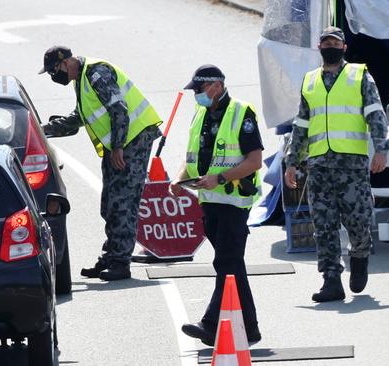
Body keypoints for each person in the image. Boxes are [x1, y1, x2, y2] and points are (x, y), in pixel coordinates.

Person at [284, 26, 389, 302]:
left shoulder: (359, 76)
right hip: (319, 166)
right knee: (324, 225)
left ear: (344, 47)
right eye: (325, 42)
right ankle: (331, 280)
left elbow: (375, 114)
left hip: (352, 166)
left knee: (358, 220)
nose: (329, 46)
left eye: (335, 42)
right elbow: (301, 125)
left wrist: (381, 149)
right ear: (319, 48)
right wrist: (291, 161)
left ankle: (359, 254)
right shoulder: (309, 81)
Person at [39, 46, 162, 281]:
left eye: (54, 70)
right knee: (109, 203)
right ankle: (110, 256)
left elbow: (119, 109)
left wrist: (117, 146)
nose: (55, 76)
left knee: (123, 202)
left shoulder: (97, 74)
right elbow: (79, 118)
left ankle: (120, 262)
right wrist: (42, 130)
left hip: (132, 140)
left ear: (65, 62)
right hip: (119, 143)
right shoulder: (81, 80)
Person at [171, 65, 263, 345]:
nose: (195, 96)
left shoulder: (240, 113)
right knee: (232, 264)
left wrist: (220, 178)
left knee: (226, 262)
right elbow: (192, 158)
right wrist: (178, 179)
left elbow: (254, 161)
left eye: (198, 90)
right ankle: (250, 329)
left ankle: (210, 324)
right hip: (210, 202)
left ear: (216, 86)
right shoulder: (200, 114)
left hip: (234, 201)